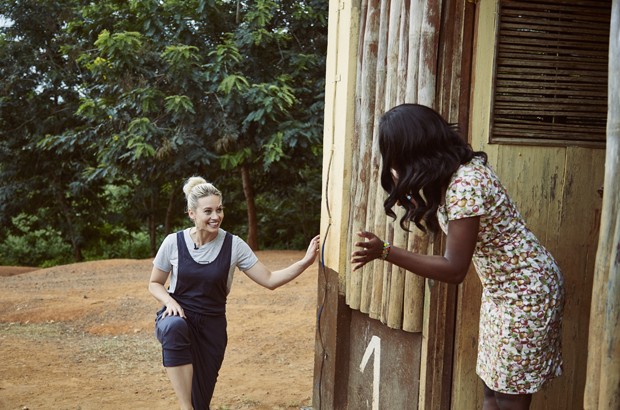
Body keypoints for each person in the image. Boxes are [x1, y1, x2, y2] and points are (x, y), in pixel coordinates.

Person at [351, 103, 564, 410]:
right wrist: (409, 189)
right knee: (493, 391)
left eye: (395, 153)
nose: (392, 161)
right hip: (502, 295)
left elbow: (454, 269)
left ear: (413, 149)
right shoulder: (454, 177)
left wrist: (386, 251)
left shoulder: (466, 184)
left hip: (527, 294)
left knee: (508, 396)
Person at [148, 176, 320, 410]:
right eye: (207, 211)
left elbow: (269, 280)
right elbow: (155, 283)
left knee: (202, 403)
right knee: (173, 328)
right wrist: (168, 301)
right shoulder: (173, 242)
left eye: (219, 209)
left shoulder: (234, 245)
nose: (215, 216)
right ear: (192, 214)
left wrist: (305, 262)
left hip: (212, 328)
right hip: (180, 316)